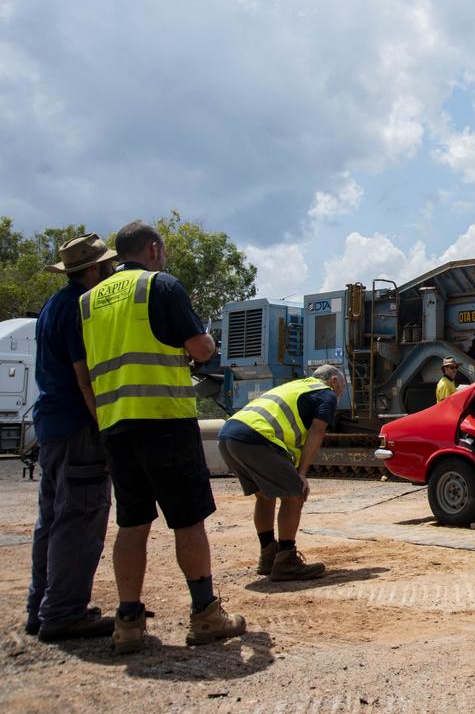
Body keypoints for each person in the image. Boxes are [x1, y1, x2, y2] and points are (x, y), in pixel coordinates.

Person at [79, 220, 245, 654]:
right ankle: (206, 613)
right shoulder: (161, 286)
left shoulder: (88, 302)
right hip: (163, 418)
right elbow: (202, 350)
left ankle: (128, 622)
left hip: (115, 423)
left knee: (132, 522)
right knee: (187, 519)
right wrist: (205, 340)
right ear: (152, 249)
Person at [26, 234, 118, 642]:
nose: (112, 270)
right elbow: (85, 378)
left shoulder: (51, 306)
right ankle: (64, 613)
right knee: (81, 517)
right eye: (108, 265)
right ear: (94, 270)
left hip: (51, 426)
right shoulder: (80, 308)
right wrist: (105, 426)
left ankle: (42, 607)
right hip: (79, 425)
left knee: (52, 518)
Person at [217, 365, 346, 581]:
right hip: (255, 438)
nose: (340, 393)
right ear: (333, 381)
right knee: (295, 494)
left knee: (265, 496)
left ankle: (268, 556)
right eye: (341, 387)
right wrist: (302, 474)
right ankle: (286, 561)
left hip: (229, 435)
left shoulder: (297, 386)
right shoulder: (326, 393)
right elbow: (317, 431)